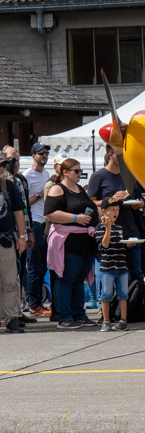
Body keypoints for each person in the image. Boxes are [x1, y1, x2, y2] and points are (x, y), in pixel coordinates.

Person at [44, 158, 98, 330]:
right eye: (76, 171)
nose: (79, 174)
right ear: (65, 172)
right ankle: (64, 317)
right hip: (68, 240)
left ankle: (78, 314)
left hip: (84, 239)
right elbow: (50, 214)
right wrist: (75, 218)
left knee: (78, 278)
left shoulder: (80, 189)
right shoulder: (57, 189)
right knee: (66, 278)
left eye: (80, 171)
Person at [88, 151, 145, 284]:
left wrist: (139, 204)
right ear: (110, 155)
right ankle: (109, 304)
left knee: (135, 272)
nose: (124, 157)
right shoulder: (98, 176)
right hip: (110, 232)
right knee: (109, 275)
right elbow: (90, 202)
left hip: (131, 230)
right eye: (120, 154)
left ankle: (135, 303)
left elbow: (141, 200)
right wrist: (112, 199)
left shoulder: (129, 175)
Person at [0, 152, 28, 333]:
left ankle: (11, 318)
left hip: (6, 241)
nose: (2, 168)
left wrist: (22, 236)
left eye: (2, 165)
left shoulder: (8, 186)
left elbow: (19, 212)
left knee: (11, 281)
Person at [23, 143, 50, 317]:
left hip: (45, 223)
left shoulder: (46, 174)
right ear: (33, 155)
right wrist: (41, 194)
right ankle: (34, 303)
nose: (44, 156)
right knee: (34, 266)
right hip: (34, 223)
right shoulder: (27, 175)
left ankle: (37, 302)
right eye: (41, 153)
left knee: (42, 267)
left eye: (46, 153)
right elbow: (24, 202)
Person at [95, 199, 131, 332]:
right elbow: (104, 244)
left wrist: (128, 244)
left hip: (121, 265)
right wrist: (108, 227)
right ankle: (106, 320)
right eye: (113, 210)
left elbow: (120, 244)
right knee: (106, 294)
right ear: (104, 212)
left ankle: (123, 319)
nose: (116, 212)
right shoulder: (100, 227)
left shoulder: (120, 228)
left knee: (123, 294)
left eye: (117, 210)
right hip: (107, 266)